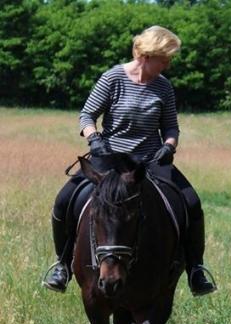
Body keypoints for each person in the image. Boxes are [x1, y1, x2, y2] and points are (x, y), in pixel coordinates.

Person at [42, 25, 216, 297]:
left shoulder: (164, 86)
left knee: (191, 202)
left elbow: (171, 127)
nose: (168, 63)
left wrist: (169, 147)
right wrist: (94, 139)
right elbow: (87, 115)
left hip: (148, 162)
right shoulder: (113, 78)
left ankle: (196, 270)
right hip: (109, 158)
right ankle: (62, 265)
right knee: (64, 200)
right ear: (147, 55)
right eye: (165, 58)